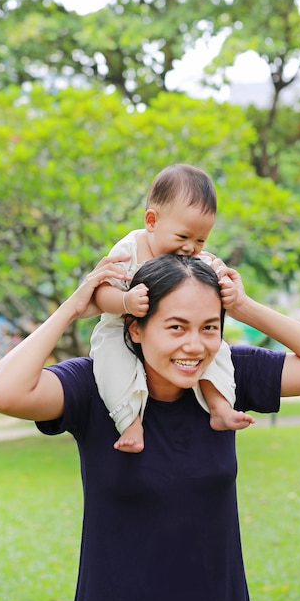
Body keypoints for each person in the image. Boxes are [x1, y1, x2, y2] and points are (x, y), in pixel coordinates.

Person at [0, 253, 300, 601]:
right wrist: (73, 308)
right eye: (176, 327)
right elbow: (1, 392)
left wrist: (244, 307)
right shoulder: (92, 385)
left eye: (210, 327)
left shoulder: (228, 378)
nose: (195, 346)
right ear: (136, 328)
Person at [90, 163, 252, 453]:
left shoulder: (197, 261)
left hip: (181, 335)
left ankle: (219, 406)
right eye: (183, 237)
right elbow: (101, 293)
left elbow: (215, 285)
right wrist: (125, 302)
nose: (191, 248)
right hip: (122, 327)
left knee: (218, 353)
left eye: (201, 240)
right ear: (152, 221)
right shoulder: (128, 250)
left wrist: (228, 289)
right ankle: (130, 422)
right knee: (112, 364)